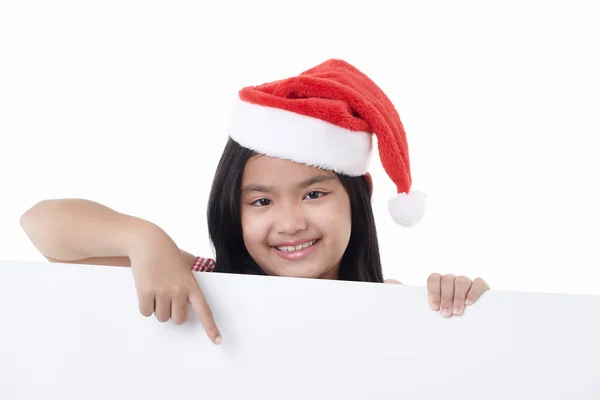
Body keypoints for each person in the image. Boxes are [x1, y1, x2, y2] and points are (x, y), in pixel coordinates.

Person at [20, 59, 490, 346]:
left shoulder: (390, 304)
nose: (290, 222)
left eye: (313, 194)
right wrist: (142, 239)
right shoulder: (198, 282)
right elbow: (41, 225)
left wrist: (460, 305)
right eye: (261, 201)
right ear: (232, 209)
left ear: (357, 199)